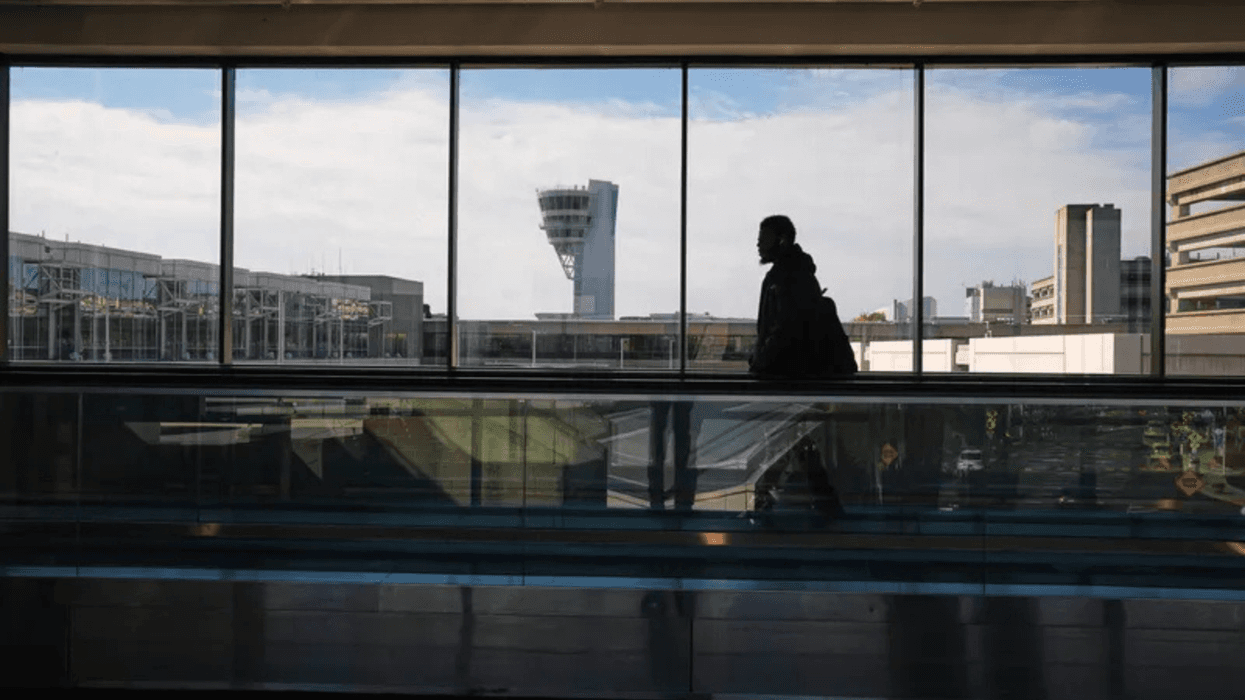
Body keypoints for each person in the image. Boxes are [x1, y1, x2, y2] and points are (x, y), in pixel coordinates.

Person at [749, 214, 826, 377]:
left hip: (784, 375)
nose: (758, 244)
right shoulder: (799, 274)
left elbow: (784, 331)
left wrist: (760, 362)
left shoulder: (783, 279)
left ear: (782, 240)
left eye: (764, 238)